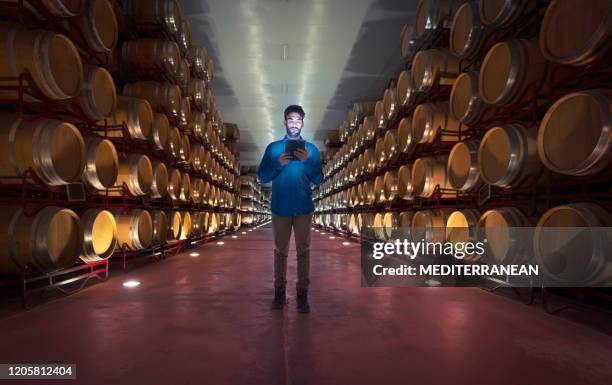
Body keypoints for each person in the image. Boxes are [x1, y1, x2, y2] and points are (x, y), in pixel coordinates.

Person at [257, 105, 324, 313]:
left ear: (303, 123)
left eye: (297, 120)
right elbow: (262, 176)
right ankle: (279, 292)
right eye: (290, 119)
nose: (294, 123)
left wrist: (308, 163)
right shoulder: (274, 148)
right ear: (284, 122)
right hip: (280, 207)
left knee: (304, 251)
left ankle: (302, 294)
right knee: (280, 252)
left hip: (304, 207)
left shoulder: (311, 150)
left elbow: (319, 178)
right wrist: (277, 164)